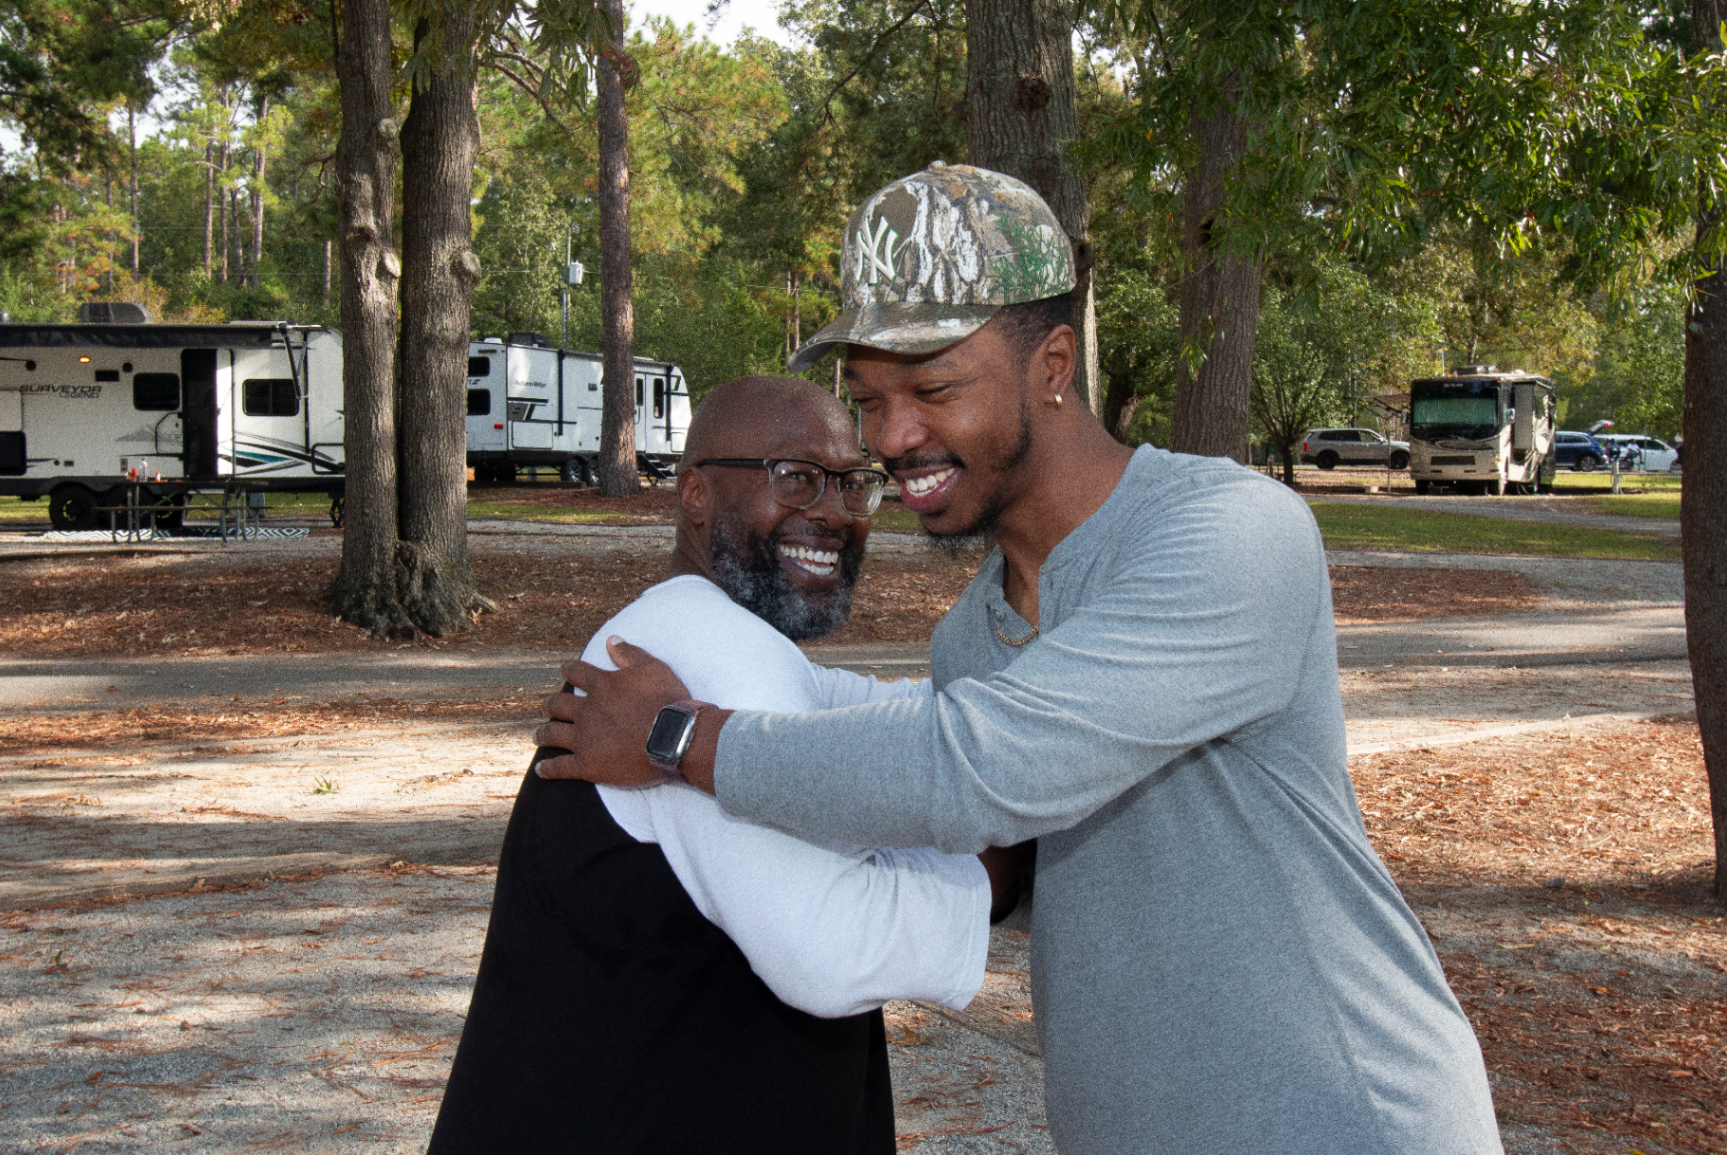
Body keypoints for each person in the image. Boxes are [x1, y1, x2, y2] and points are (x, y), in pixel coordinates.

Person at [536, 165, 1505, 1154]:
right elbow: (985, 821)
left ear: (1052, 361)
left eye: (934, 388)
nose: (894, 437)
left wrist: (674, 737)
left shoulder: (1227, 534)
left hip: (1343, 1119)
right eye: (870, 399)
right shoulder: (975, 635)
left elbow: (976, 768)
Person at [428, 376, 1008, 1155]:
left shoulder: (700, 636)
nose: (833, 512)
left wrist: (1038, 721)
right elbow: (829, 949)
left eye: (852, 482)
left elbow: (869, 712)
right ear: (696, 492)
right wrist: (1016, 861)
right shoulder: (709, 649)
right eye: (795, 477)